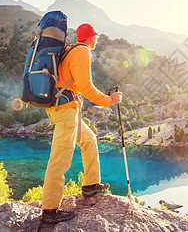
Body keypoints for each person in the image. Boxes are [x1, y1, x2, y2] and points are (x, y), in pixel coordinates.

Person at [40, 23, 122, 224]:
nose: (97, 39)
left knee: (89, 139)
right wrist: (108, 101)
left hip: (64, 109)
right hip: (66, 112)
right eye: (96, 36)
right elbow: (85, 86)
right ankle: (49, 210)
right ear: (90, 37)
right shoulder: (82, 51)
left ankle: (90, 185)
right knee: (59, 160)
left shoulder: (70, 50)